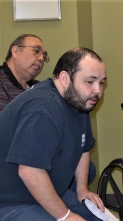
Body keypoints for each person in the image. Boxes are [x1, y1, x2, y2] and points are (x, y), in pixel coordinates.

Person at [0, 47, 106, 221]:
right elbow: (29, 171)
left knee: (93, 216)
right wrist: (64, 216)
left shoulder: (79, 102)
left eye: (101, 83)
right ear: (65, 78)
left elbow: (83, 148)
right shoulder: (43, 109)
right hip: (10, 202)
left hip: (37, 192)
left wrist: (82, 189)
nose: (97, 91)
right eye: (90, 82)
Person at [0, 34, 96, 192]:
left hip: (44, 150)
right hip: (12, 159)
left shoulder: (40, 88)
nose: (40, 59)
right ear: (15, 51)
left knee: (87, 169)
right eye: (36, 51)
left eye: (44, 56)